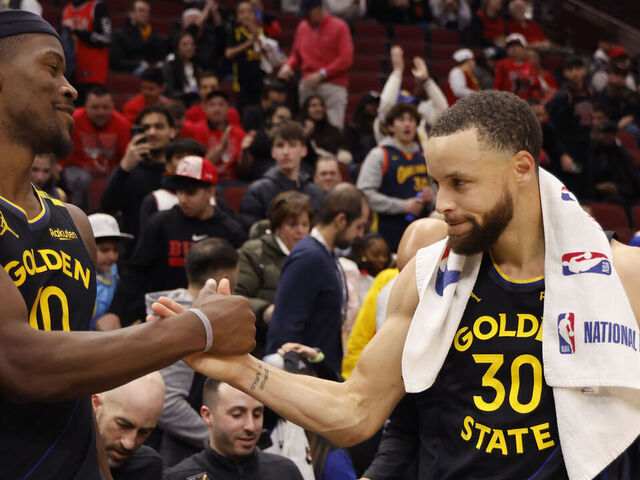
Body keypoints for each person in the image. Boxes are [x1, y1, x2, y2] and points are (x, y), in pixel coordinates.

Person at [159, 90, 640, 479]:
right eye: (436, 184)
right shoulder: (428, 274)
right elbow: (356, 410)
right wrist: (240, 371)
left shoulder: (622, 275)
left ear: (520, 169)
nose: (442, 203)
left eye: (460, 183)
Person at [0, 11, 256, 480]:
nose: (70, 88)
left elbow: (78, 384)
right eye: (51, 68)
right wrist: (198, 327)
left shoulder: (72, 221)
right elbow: (18, 362)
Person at [103, 155, 246, 328]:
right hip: (164, 315)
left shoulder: (230, 230)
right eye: (179, 191)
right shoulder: (160, 223)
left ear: (211, 192)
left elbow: (238, 279)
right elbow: (136, 273)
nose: (183, 199)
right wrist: (115, 311)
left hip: (212, 318)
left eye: (190, 192)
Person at [148, 238, 241, 467]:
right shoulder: (189, 325)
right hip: (180, 456)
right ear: (224, 280)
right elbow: (167, 403)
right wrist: (218, 439)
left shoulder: (174, 311)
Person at [266, 183, 370, 375]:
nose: (360, 234)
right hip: (304, 382)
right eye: (358, 226)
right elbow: (286, 330)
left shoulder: (324, 255)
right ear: (340, 220)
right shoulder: (308, 257)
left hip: (320, 373)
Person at [163, 378, 304, 479]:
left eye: (257, 414)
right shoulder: (181, 476)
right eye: (237, 415)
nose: (251, 426)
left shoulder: (284, 471)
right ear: (207, 415)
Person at [236, 191, 314, 356]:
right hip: (260, 346)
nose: (300, 231)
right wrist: (265, 311)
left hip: (303, 345)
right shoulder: (253, 252)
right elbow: (236, 297)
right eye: (293, 225)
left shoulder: (314, 257)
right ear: (278, 226)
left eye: (305, 224)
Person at [357, 102, 435, 252]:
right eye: (401, 119)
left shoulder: (423, 157)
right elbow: (364, 194)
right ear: (390, 127)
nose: (407, 124)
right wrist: (403, 206)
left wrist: (431, 197)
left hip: (421, 236)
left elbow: (439, 193)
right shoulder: (380, 154)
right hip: (386, 234)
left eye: (411, 120)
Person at [100, 104, 175, 242]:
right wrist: (124, 167)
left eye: (159, 126)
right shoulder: (129, 170)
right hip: (136, 251)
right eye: (146, 128)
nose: (152, 132)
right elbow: (108, 206)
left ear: (172, 132)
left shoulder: (180, 170)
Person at [277, 0, 353, 130]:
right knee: (306, 126)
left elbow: (346, 58)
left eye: (308, 14)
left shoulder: (340, 26)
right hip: (308, 84)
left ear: (319, 9)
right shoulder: (302, 26)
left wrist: (322, 74)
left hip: (333, 85)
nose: (306, 18)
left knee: (333, 127)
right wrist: (288, 65)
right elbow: (296, 54)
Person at [239, 121, 324, 232]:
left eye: (292, 145)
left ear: (303, 151)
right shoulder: (258, 191)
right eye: (280, 145)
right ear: (273, 152)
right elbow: (252, 232)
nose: (285, 152)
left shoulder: (316, 192)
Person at [60, 85, 131, 210]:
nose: (100, 112)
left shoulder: (123, 124)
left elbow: (126, 158)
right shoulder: (73, 120)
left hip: (110, 172)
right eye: (95, 107)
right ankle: (77, 215)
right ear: (85, 106)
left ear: (113, 107)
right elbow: (60, 150)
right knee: (83, 178)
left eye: (105, 107)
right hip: (77, 170)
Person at [92, 373, 165, 479]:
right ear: (96, 403)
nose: (129, 444)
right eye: (123, 425)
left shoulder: (146, 468)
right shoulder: (63, 458)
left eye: (144, 432)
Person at [192, 89, 251, 182]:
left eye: (221, 104)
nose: (217, 109)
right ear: (205, 108)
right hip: (205, 182)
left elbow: (245, 171)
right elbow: (199, 167)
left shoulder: (239, 133)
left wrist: (245, 151)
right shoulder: (196, 130)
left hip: (233, 182)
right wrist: (222, 148)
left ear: (228, 108)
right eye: (212, 105)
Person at [88, 212, 133, 331]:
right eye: (104, 250)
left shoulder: (114, 270)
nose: (113, 256)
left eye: (115, 250)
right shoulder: (79, 282)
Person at [61, 0, 111, 100]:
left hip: (93, 71)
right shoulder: (67, 9)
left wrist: (78, 32)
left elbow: (106, 38)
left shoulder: (97, 6)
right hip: (71, 71)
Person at [225, 0, 266, 114]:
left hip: (260, 81)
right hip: (242, 82)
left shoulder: (262, 32)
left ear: (255, 15)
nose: (246, 15)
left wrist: (256, 37)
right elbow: (228, 53)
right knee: (243, 112)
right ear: (237, 17)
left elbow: (269, 53)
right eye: (242, 12)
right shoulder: (234, 33)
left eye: (249, 12)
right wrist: (249, 43)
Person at [109, 0, 167, 75]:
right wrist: (138, 63)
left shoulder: (153, 37)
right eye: (141, 11)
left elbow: (160, 58)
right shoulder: (119, 35)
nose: (145, 14)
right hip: (130, 72)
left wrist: (160, 63)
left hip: (152, 71)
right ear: (131, 14)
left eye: (147, 12)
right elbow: (116, 62)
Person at [301, 94, 351, 170]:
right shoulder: (299, 128)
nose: (318, 109)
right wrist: (307, 132)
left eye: (321, 105)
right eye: (313, 106)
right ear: (306, 109)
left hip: (334, 165)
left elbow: (343, 148)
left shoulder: (333, 130)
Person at [493, 33, 541, 99]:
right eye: (510, 46)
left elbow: (537, 85)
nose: (514, 48)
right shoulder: (502, 64)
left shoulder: (530, 64)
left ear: (524, 48)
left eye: (517, 46)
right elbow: (497, 85)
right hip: (508, 100)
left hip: (527, 100)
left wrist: (532, 81)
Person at [163, 30, 201, 107]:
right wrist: (190, 95)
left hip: (196, 101)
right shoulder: (171, 63)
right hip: (179, 103)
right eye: (185, 44)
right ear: (177, 47)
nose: (190, 48)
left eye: (192, 44)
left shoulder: (196, 63)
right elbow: (169, 91)